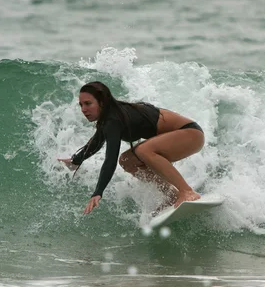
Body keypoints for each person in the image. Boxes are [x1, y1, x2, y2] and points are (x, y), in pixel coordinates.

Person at [58, 81, 205, 214]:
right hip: (178, 139)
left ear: (102, 102)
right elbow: (96, 142)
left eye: (88, 104)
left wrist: (98, 192)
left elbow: (110, 159)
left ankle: (186, 191)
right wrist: (75, 161)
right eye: (81, 105)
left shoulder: (113, 119)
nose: (83, 109)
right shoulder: (109, 118)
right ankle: (171, 194)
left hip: (191, 134)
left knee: (143, 150)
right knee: (127, 160)